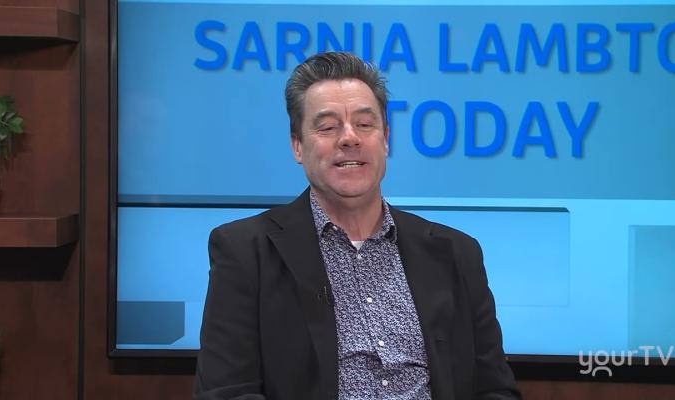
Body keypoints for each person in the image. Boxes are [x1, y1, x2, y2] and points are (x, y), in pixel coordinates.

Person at [194, 52, 521, 400]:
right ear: (297, 146)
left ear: (385, 139)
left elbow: (495, 390)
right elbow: (226, 392)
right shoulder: (245, 252)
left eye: (365, 124)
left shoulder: (456, 253)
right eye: (327, 127)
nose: (349, 138)